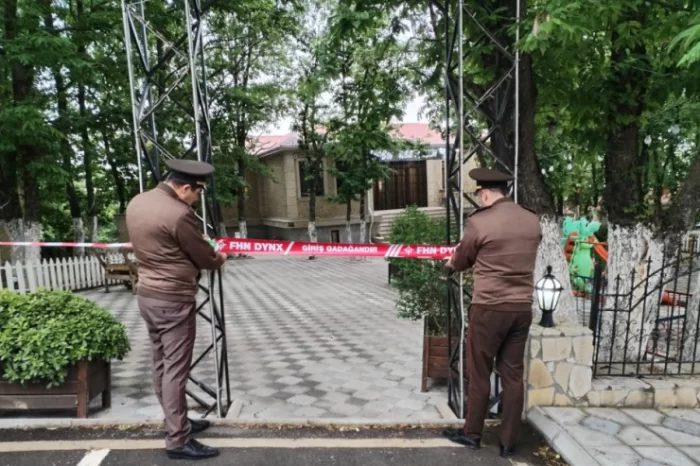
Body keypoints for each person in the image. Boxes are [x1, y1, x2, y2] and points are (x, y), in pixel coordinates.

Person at [126, 159, 227, 461]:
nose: (196, 198)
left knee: (161, 364)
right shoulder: (179, 214)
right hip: (173, 300)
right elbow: (206, 258)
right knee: (175, 371)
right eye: (197, 193)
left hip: (148, 296)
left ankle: (177, 421)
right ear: (185, 188)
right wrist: (220, 257)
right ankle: (178, 439)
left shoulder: (139, 201)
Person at [443, 167, 541, 458]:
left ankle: (472, 434)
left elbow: (463, 259)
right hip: (521, 308)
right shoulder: (531, 219)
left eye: (479, 196)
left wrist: (451, 264)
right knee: (513, 375)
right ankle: (509, 441)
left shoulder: (479, 222)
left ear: (484, 194)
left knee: (480, 370)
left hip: (489, 308)